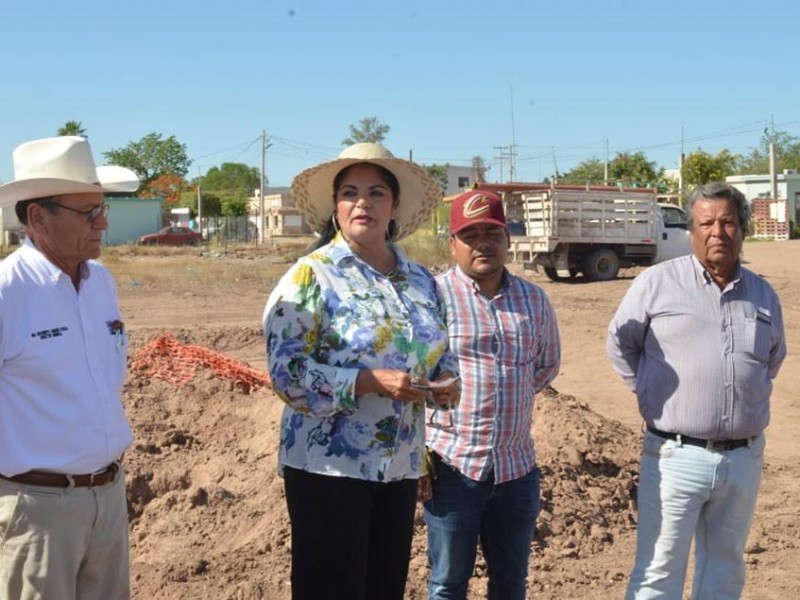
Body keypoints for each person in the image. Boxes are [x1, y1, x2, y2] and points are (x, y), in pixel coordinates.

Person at [263, 142, 460, 600]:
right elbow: (287, 373)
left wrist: (446, 383)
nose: (362, 203)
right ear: (336, 208)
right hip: (329, 469)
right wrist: (369, 382)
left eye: (376, 193)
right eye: (350, 192)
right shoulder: (311, 276)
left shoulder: (419, 279)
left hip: (398, 464)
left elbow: (437, 348)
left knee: (382, 587)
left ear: (394, 207)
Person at [606, 182, 787, 599]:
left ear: (742, 229)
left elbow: (772, 359)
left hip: (743, 458)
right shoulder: (658, 283)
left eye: (727, 222)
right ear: (692, 232)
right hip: (675, 456)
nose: (717, 232)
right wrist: (650, 391)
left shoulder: (762, 293)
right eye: (706, 223)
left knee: (725, 570)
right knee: (658, 571)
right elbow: (620, 344)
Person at [0, 136, 140, 599]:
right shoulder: (7, 292)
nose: (102, 223)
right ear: (38, 217)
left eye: (102, 209)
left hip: (109, 498)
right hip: (36, 513)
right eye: (88, 213)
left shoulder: (100, 281)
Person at [423, 190, 561, 600]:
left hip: (516, 470)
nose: (483, 243)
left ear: (507, 239)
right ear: (453, 244)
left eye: (492, 233)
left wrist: (504, 395)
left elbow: (546, 365)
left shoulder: (534, 299)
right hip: (453, 467)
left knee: (510, 582)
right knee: (448, 584)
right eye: (471, 235)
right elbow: (413, 375)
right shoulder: (432, 298)